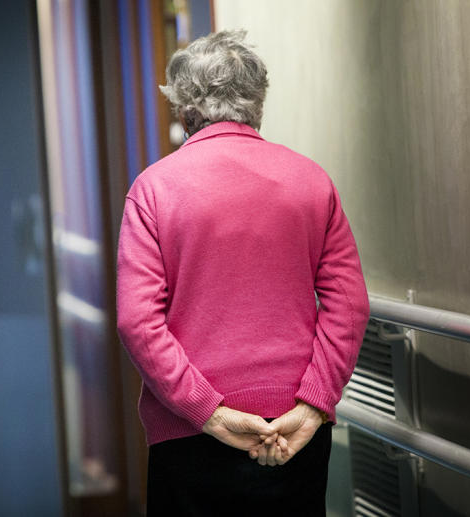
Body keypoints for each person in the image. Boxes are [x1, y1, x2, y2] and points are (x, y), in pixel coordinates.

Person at [115, 30, 370, 516]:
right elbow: (350, 305)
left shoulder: (154, 190)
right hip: (294, 430)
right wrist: (313, 406)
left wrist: (209, 414)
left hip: (188, 431)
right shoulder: (311, 180)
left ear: (185, 108)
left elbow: (137, 322)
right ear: (257, 101)